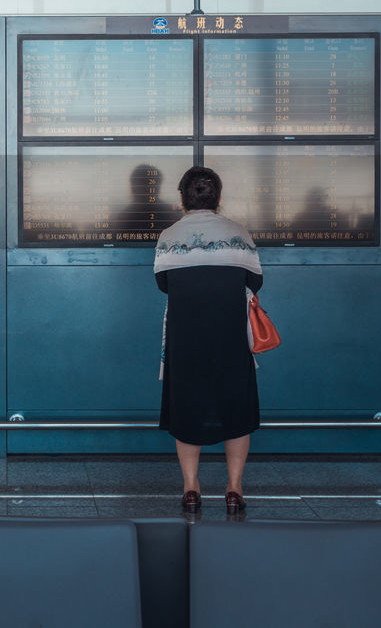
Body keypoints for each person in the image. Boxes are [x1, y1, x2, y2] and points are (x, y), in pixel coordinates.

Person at [153, 166, 263, 515]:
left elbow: (163, 284)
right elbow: (255, 282)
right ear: (218, 198)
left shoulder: (169, 236)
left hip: (186, 339)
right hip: (230, 336)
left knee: (186, 409)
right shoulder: (239, 234)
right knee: (236, 409)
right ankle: (233, 489)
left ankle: (190, 488)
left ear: (182, 198)